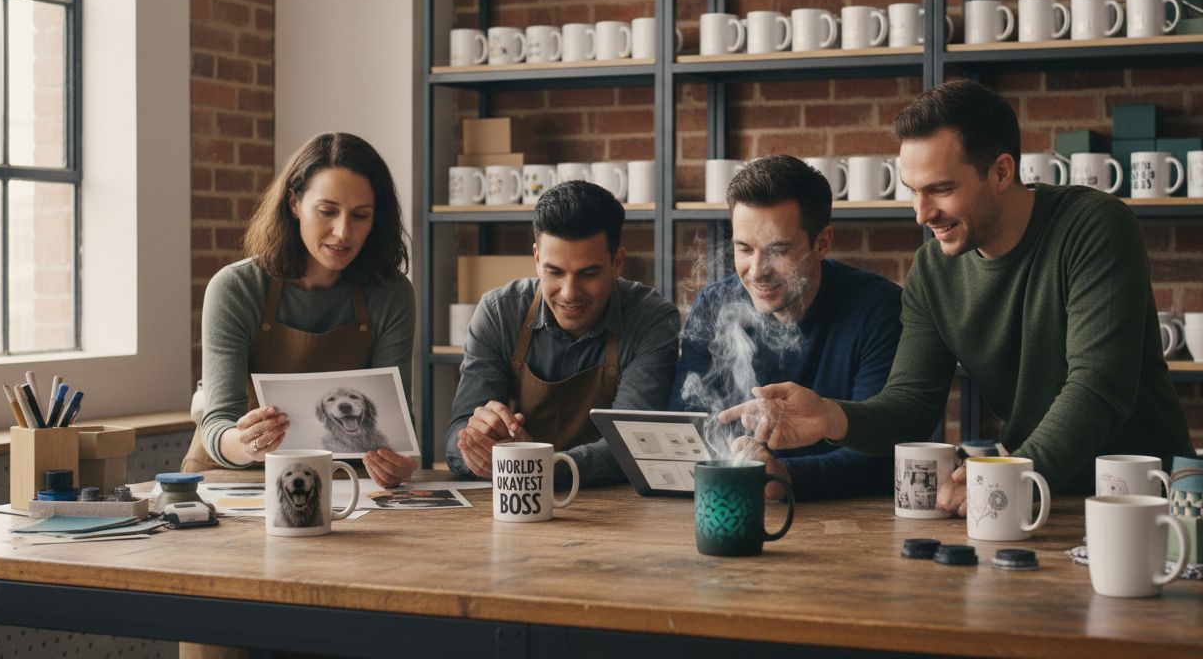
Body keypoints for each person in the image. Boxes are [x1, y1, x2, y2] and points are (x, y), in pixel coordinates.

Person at [721, 80, 1194, 512]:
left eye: (941, 189)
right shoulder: (933, 271)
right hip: (1029, 498)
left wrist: (1012, 476)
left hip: (1143, 499)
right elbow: (909, 405)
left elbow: (1099, 385)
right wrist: (830, 415)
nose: (922, 213)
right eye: (913, 191)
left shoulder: (1093, 226)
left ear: (1002, 171)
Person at [183, 132, 417, 489]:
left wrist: (397, 461)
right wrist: (246, 444)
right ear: (294, 203)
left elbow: (394, 419)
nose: (343, 232)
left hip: (342, 483)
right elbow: (218, 422)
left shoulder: (391, 294)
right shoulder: (236, 289)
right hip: (234, 479)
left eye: (361, 215)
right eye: (327, 211)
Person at [670, 155, 901, 500]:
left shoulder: (879, 309)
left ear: (822, 242)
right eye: (743, 249)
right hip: (733, 503)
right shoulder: (715, 304)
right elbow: (683, 429)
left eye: (778, 250)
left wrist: (782, 477)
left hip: (852, 516)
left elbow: (880, 451)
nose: (757, 270)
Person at [446, 180, 679, 488]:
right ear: (536, 259)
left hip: (618, 510)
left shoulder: (652, 319)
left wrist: (534, 465)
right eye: (554, 272)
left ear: (617, 262)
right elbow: (456, 435)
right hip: (515, 500)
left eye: (589, 273)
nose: (569, 294)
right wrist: (474, 446)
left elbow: (632, 443)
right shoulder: (499, 312)